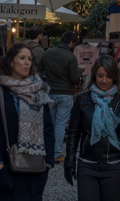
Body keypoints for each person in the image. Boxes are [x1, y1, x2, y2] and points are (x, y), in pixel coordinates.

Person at [0, 42, 56, 201]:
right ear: (10, 62)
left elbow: (48, 130)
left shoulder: (37, 91)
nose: (27, 62)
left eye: (29, 59)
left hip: (35, 170)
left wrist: (47, 166)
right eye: (22, 58)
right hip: (7, 168)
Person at [64, 55, 120, 201]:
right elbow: (74, 133)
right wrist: (69, 160)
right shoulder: (82, 99)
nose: (104, 80)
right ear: (94, 76)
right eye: (100, 76)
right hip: (88, 164)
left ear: (115, 78)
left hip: (115, 164)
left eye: (108, 76)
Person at [40, 31, 82, 163]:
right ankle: (57, 153)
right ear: (70, 43)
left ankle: (47, 150)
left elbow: (39, 69)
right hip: (65, 93)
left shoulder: (47, 53)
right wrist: (80, 71)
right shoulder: (70, 57)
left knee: (50, 122)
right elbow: (74, 78)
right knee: (60, 124)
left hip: (50, 92)